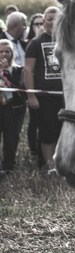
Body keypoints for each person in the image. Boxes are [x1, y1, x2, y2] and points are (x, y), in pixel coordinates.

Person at [24, 6, 64, 174]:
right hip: (45, 96)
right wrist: (31, 96)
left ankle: (63, 165)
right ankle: (49, 166)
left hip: (66, 96)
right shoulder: (35, 43)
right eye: (49, 19)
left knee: (64, 132)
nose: (52, 23)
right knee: (47, 132)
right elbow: (28, 70)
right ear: (44, 21)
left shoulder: (67, 41)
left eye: (56, 19)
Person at [0, 39, 26, 172]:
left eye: (7, 51)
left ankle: (9, 166)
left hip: (13, 108)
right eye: (1, 51)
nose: (4, 54)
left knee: (11, 137)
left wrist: (6, 72)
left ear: (12, 53)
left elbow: (20, 88)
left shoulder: (18, 70)